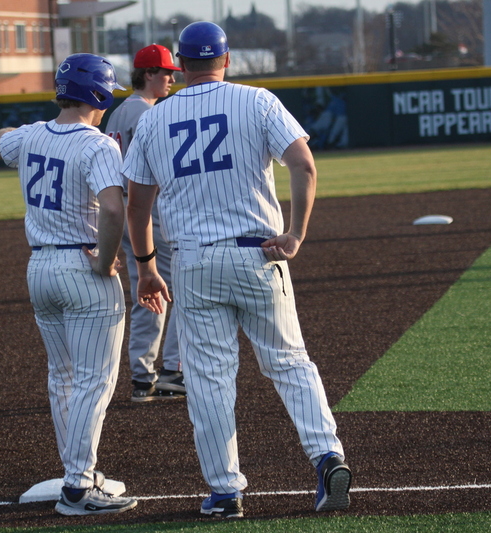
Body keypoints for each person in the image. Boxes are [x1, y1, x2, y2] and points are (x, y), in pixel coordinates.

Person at [123, 22, 352, 518]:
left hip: (194, 261)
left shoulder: (154, 119)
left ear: (180, 65)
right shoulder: (258, 100)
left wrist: (145, 268)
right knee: (290, 363)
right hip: (259, 253)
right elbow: (304, 165)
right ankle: (327, 456)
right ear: (226, 60)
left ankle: (226, 492)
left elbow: (137, 208)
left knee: (208, 380)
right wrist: (295, 235)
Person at [0, 53, 137, 516]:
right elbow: (114, 210)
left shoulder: (32, 134)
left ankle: (79, 473)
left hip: (40, 268)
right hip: (82, 265)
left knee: (63, 378)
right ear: (102, 93)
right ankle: (77, 487)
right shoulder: (98, 145)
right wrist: (108, 261)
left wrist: (15, 133)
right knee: (95, 380)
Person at [104, 44, 186, 402]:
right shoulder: (148, 115)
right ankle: (173, 369)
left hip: (122, 209)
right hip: (149, 210)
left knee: (146, 291)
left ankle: (142, 376)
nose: (171, 78)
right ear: (148, 74)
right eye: (166, 72)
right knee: (184, 285)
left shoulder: (118, 114)